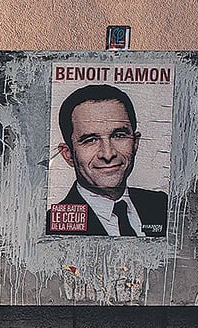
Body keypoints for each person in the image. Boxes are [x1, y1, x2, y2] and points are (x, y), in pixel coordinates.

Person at [47, 84, 169, 237]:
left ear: (135, 143)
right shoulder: (48, 226)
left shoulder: (164, 206)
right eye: (90, 140)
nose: (108, 153)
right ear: (68, 154)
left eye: (119, 135)